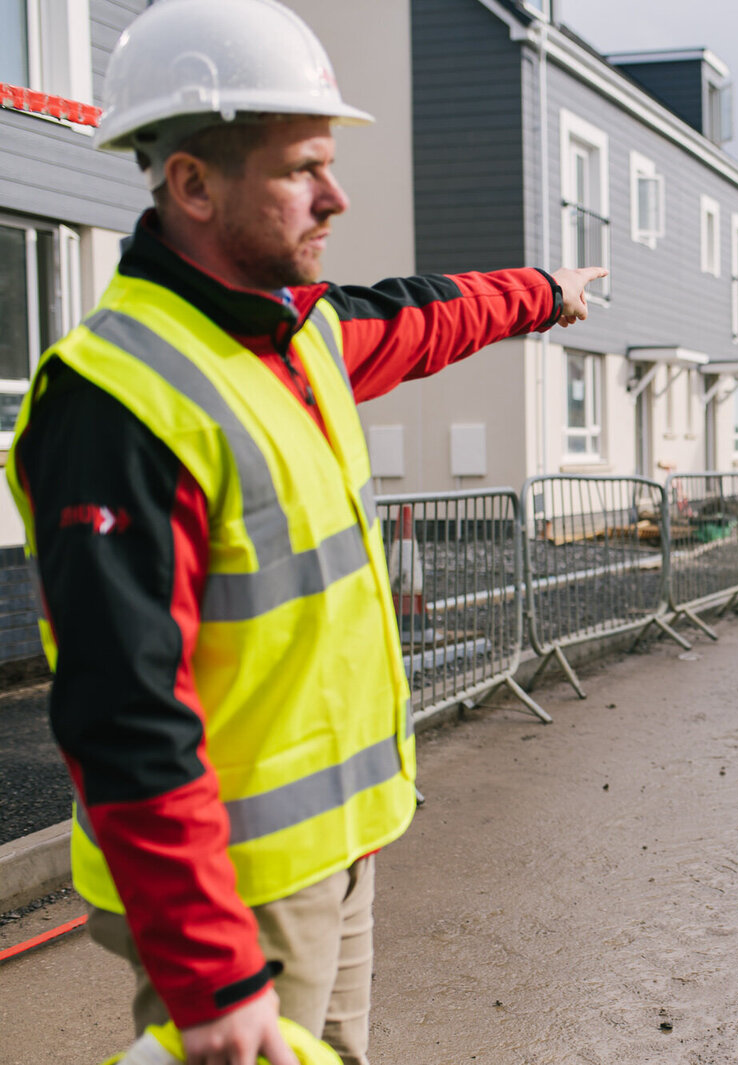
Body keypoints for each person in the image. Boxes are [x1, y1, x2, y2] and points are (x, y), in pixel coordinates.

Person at [4, 2, 605, 1063]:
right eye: (301, 169)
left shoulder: (302, 335)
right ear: (191, 183)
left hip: (336, 849)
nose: (335, 196)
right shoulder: (116, 402)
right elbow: (123, 708)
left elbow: (428, 313)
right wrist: (206, 966)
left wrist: (543, 296)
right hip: (232, 892)